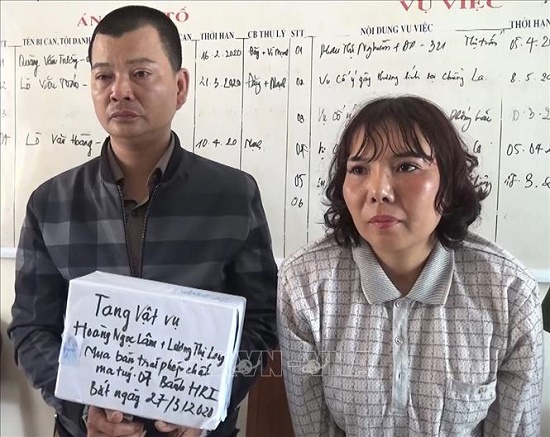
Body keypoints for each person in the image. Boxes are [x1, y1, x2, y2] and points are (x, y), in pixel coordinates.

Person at [8, 5, 278, 437]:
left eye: (140, 73)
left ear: (180, 86)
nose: (119, 91)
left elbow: (262, 323)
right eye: (103, 76)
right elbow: (31, 327)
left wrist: (208, 402)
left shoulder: (233, 196)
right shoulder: (51, 203)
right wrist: (81, 409)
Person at [277, 95, 543, 436]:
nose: (379, 191)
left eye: (406, 167)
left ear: (449, 184)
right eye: (358, 169)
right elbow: (313, 428)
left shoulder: (508, 292)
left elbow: (514, 429)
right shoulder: (305, 284)